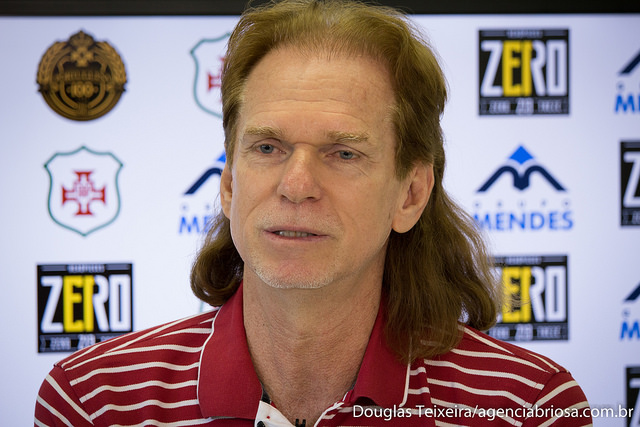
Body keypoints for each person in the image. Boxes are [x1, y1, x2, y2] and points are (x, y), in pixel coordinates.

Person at [35, 0, 592, 426]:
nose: (296, 186)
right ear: (229, 185)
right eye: (268, 147)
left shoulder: (529, 408)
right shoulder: (95, 401)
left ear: (411, 195)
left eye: (343, 153)